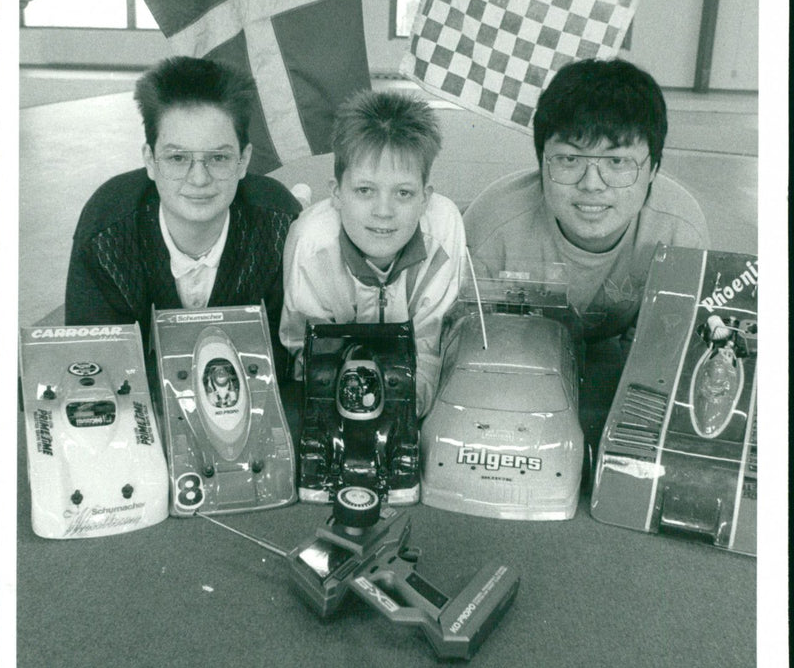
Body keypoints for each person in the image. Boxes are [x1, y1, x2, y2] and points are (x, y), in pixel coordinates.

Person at [463, 59, 709, 436]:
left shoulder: (679, 231)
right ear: (541, 162)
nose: (592, 183)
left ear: (654, 170)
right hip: (522, 351)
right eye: (569, 159)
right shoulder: (492, 228)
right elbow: (466, 354)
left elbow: (672, 363)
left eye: (618, 161)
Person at [65, 56, 300, 376]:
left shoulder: (279, 223)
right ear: (150, 160)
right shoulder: (107, 230)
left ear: (244, 160)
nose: (199, 178)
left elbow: (290, 362)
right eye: (177, 158)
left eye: (218, 157)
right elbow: (93, 364)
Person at [280, 88, 466, 417]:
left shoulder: (445, 227)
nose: (384, 211)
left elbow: (431, 347)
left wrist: (402, 414)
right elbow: (303, 351)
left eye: (403, 193)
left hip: (411, 399)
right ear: (337, 193)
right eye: (365, 190)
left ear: (425, 198)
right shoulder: (311, 241)